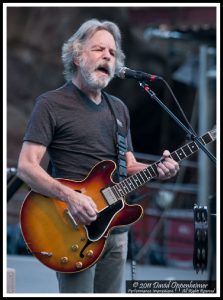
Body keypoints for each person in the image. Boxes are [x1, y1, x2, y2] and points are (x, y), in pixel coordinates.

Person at [17, 19, 180, 293]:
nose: (107, 56)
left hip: (116, 230)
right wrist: (71, 196)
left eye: (113, 53)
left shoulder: (118, 109)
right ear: (78, 56)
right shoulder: (51, 104)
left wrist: (158, 169)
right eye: (99, 49)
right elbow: (26, 166)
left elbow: (127, 166)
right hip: (72, 227)